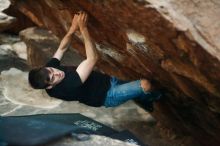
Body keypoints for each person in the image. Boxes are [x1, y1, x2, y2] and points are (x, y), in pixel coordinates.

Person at [28, 12, 161, 111]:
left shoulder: (48, 71)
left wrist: (73, 28)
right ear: (50, 86)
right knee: (145, 85)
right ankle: (149, 97)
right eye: (53, 78)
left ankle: (143, 98)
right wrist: (83, 28)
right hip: (108, 95)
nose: (57, 73)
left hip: (107, 80)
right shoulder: (68, 86)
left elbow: (62, 48)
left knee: (137, 90)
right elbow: (92, 59)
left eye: (52, 70)